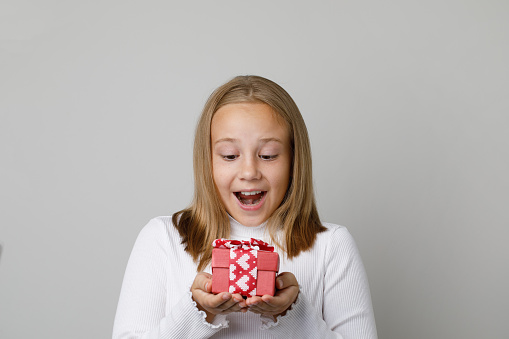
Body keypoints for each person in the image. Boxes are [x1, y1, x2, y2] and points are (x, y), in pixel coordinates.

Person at [112, 75, 378, 338]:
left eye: (268, 155)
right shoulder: (162, 238)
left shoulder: (331, 245)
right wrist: (198, 312)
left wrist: (292, 314)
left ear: (294, 161)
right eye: (230, 155)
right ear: (208, 162)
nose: (249, 172)